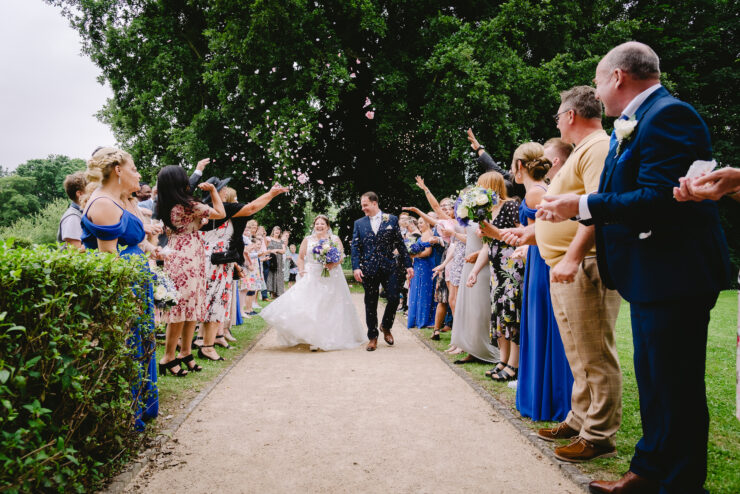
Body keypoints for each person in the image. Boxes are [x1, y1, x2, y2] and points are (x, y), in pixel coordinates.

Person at [537, 42, 732, 493]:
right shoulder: (639, 122)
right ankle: (648, 471)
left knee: (675, 386)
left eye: (600, 81)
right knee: (656, 382)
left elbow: (658, 201)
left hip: (675, 275)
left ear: (618, 77)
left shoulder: (669, 116)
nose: (599, 94)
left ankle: (679, 483)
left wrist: (580, 203)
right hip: (651, 276)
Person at [79, 146, 160, 430]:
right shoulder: (102, 204)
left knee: (141, 340)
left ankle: (144, 405)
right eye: (134, 168)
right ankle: (128, 415)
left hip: (137, 281)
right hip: (126, 287)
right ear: (118, 170)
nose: (137, 173)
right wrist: (125, 297)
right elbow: (108, 258)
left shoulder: (117, 201)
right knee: (129, 343)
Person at [198, 180, 289, 361]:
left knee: (209, 301)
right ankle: (207, 346)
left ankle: (204, 340)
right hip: (219, 260)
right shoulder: (223, 208)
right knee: (217, 301)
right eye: (222, 188)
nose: (225, 190)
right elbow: (252, 207)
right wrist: (271, 194)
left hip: (205, 257)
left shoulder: (202, 208)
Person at [156, 165, 225, 376]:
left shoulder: (166, 204)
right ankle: (168, 356)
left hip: (178, 254)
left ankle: (185, 353)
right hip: (189, 258)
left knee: (190, 307)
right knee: (181, 309)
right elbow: (220, 213)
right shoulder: (189, 204)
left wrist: (197, 222)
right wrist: (213, 191)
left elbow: (188, 226)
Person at [260, 215, 366, 351]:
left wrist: (331, 264)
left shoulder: (334, 239)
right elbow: (300, 257)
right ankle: (313, 338)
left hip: (331, 276)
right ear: (314, 226)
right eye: (317, 224)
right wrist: (302, 270)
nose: (319, 226)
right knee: (312, 305)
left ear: (327, 226)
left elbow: (340, 257)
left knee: (329, 305)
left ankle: (326, 337)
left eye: (322, 224)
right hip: (312, 275)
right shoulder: (308, 240)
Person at [467, 171, 524, 381]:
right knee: (499, 314)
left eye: (480, 185)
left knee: (510, 313)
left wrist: (500, 233)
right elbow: (486, 247)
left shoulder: (510, 206)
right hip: (495, 268)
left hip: (511, 264)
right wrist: (474, 272)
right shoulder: (486, 212)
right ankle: (503, 359)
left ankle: (514, 364)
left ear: (490, 186)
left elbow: (522, 233)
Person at [448, 172, 501, 365]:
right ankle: (471, 349)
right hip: (467, 264)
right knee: (468, 309)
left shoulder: (491, 211)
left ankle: (487, 350)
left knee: (481, 309)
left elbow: (493, 240)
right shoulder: (473, 212)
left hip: (483, 263)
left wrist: (478, 255)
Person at [351, 191, 413, 351]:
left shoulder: (391, 219)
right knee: (370, 303)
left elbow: (400, 243)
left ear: (374, 203)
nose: (363, 208)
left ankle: (386, 326)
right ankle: (372, 337)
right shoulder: (359, 223)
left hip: (389, 266)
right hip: (368, 269)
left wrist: (408, 265)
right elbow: (355, 247)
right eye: (362, 205)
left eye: (365, 205)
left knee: (393, 298)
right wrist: (356, 267)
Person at [406, 216, 436, 328]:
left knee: (423, 290)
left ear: (428, 223)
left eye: (422, 222)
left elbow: (428, 251)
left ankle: (423, 319)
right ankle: (417, 317)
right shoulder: (423, 234)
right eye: (418, 223)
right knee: (417, 289)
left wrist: (415, 255)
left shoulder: (428, 233)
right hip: (419, 264)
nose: (419, 225)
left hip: (425, 265)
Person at [57, 171, 87, 250]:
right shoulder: (73, 217)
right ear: (80, 194)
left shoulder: (82, 214)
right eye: (90, 190)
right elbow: (74, 252)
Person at [265, 226, 286, 299]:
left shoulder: (281, 241)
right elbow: (266, 249)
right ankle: (272, 292)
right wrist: (272, 251)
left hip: (279, 260)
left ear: (280, 232)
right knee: (271, 274)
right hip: (271, 259)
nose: (277, 231)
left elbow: (283, 251)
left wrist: (276, 250)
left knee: (279, 275)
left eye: (278, 230)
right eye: (275, 230)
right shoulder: (269, 239)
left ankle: (278, 292)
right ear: (273, 231)